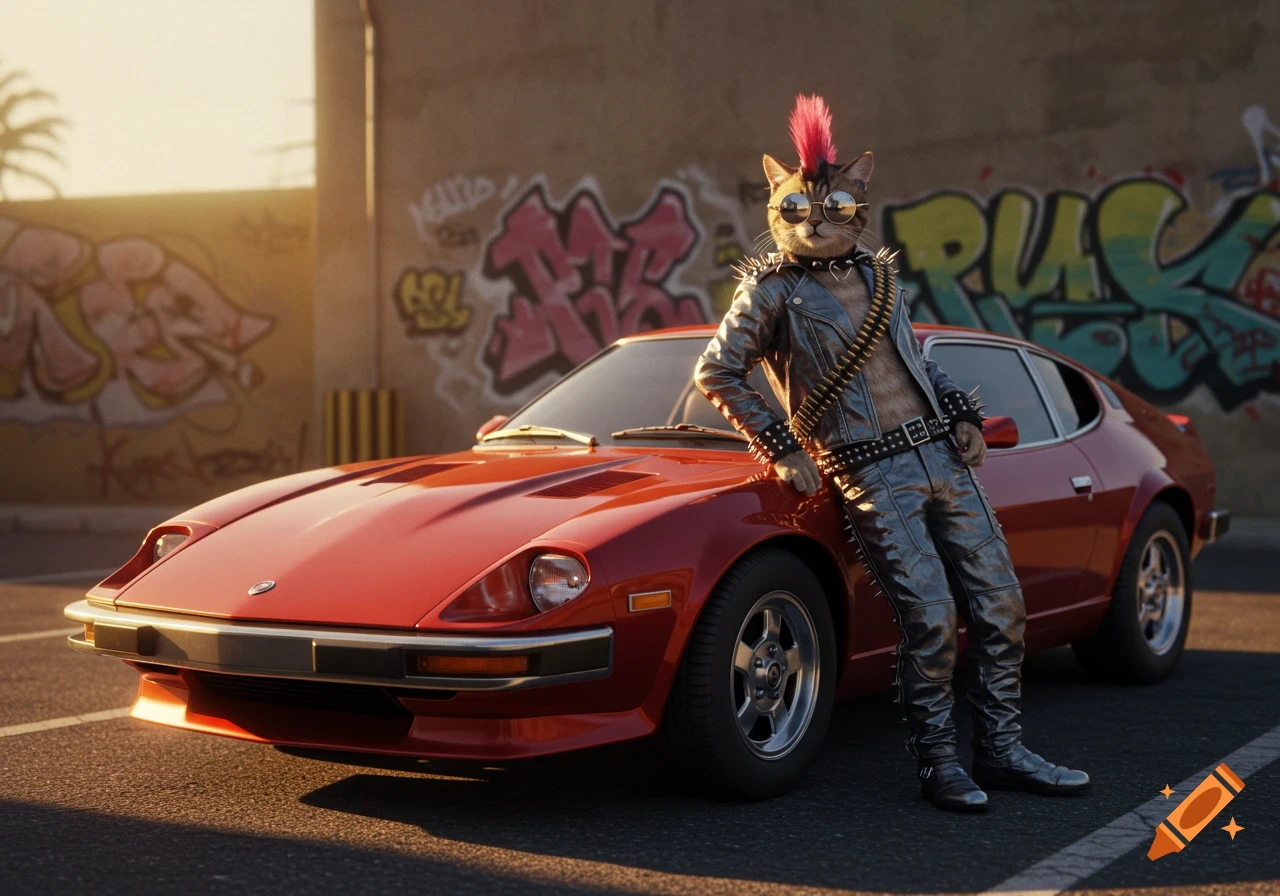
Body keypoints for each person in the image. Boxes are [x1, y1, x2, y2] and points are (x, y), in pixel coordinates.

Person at [694, 94, 1089, 811]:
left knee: (1003, 608)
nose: (812, 220)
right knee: (932, 621)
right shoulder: (770, 294)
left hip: (941, 455)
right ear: (774, 210)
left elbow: (913, 364)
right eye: (792, 209)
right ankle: (941, 765)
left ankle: (1001, 751)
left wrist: (964, 412)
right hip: (870, 469)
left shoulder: (880, 281)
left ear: (858, 207)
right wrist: (781, 445)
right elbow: (716, 372)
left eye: (830, 206)